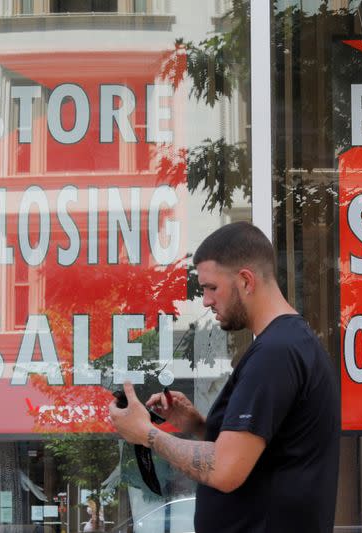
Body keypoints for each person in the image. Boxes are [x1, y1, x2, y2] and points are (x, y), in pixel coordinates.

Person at [108, 221, 340, 533]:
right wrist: (198, 425)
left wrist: (145, 434)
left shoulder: (276, 353)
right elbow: (255, 455)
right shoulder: (287, 344)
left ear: (246, 280)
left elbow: (226, 469)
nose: (205, 300)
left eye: (211, 288)